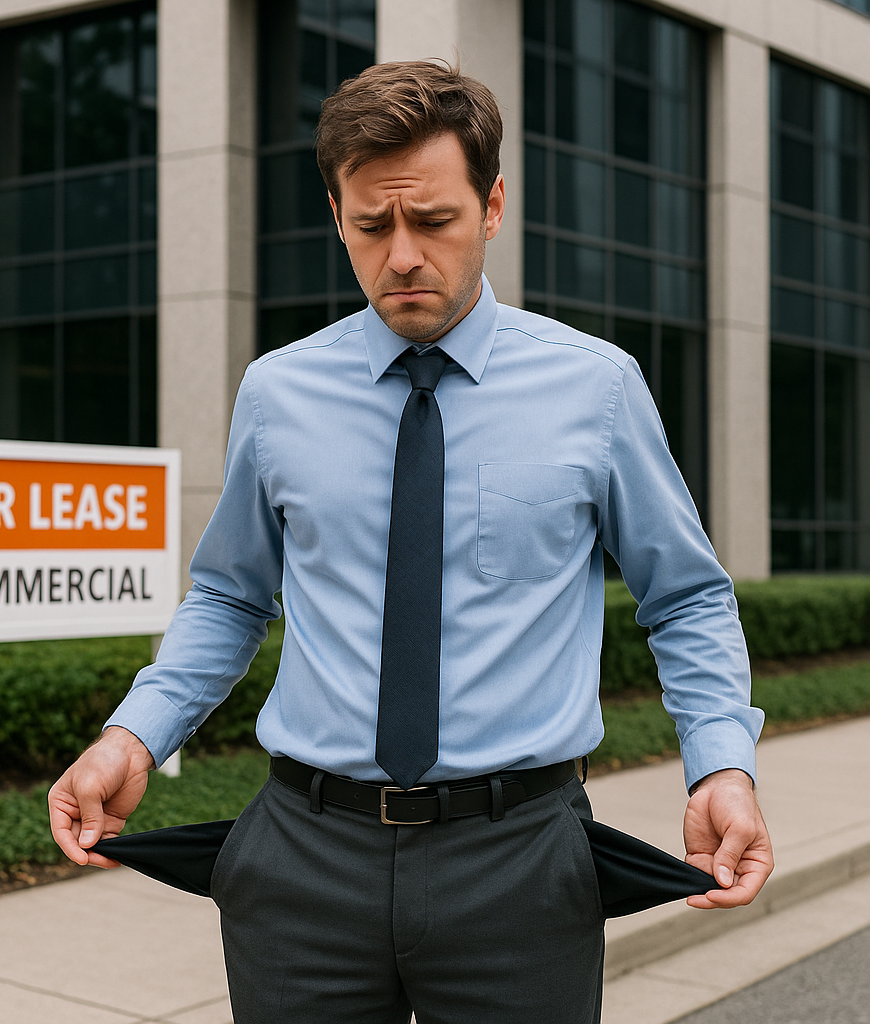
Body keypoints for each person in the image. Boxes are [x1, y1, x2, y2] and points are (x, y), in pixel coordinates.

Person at [49, 61, 773, 1023]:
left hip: (521, 866)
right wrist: (133, 735)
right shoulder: (277, 394)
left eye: (432, 221)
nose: (401, 257)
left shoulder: (597, 389)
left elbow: (684, 595)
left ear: (493, 206)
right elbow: (230, 595)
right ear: (337, 216)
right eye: (371, 224)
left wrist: (721, 762)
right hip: (301, 864)